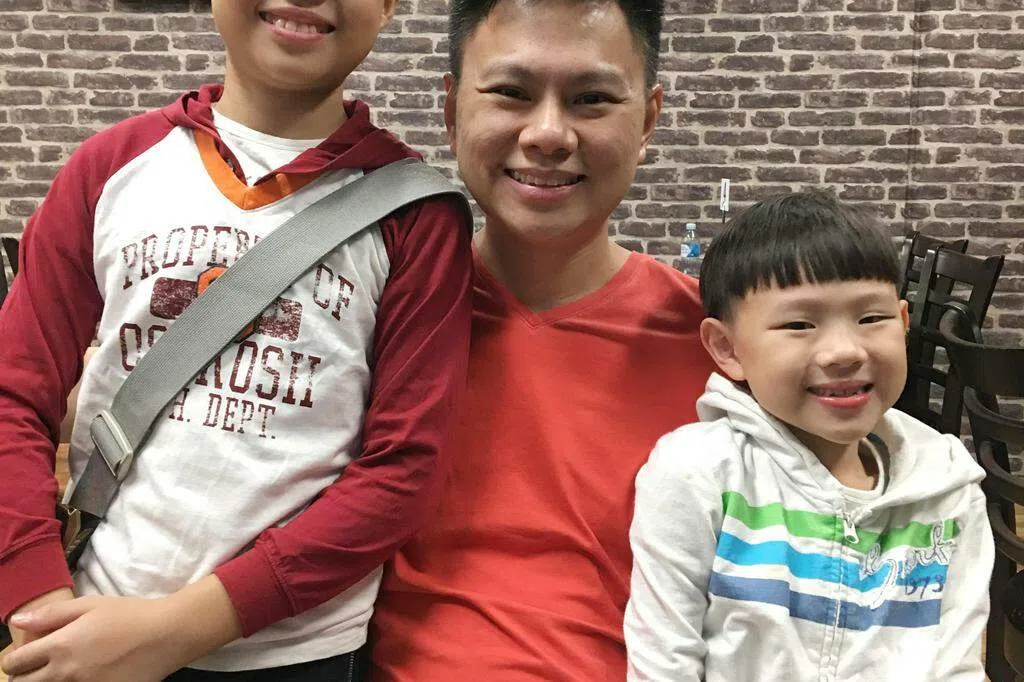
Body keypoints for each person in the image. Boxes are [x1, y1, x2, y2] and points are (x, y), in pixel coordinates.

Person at [0, 0, 472, 679]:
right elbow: (13, 394)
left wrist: (177, 632)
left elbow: (404, 470)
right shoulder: (110, 167)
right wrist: (37, 600)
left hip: (297, 653)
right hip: (88, 620)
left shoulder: (419, 219)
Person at [370, 0, 716, 679]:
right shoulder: (376, 319)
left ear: (648, 119)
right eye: (511, 93)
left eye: (591, 99)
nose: (548, 134)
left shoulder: (723, 350)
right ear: (451, 110)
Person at [624, 192, 994, 681]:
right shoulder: (697, 474)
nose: (844, 351)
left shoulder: (948, 489)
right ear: (727, 348)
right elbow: (663, 663)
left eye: (871, 318)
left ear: (904, 324)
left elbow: (958, 665)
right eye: (799, 324)